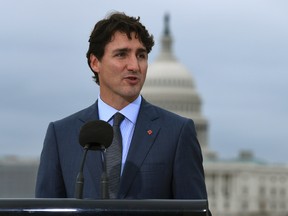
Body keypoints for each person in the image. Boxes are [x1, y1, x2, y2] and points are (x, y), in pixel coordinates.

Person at [35, 12, 209, 202]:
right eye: (121, 55)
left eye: (141, 55)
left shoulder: (177, 133)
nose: (134, 65)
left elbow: (194, 209)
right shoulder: (61, 135)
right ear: (95, 62)